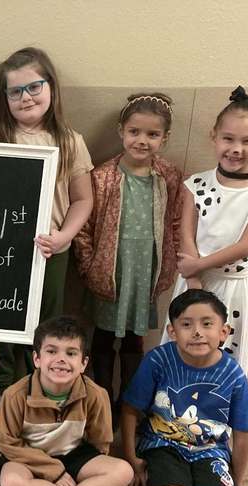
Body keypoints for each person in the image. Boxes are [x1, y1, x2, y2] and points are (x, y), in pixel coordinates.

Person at [0, 47, 94, 408]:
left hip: (49, 250)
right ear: (4, 98)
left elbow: (83, 200)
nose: (26, 97)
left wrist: (64, 237)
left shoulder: (69, 141)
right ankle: (3, 387)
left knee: (47, 323)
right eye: (15, 91)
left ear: (51, 87)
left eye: (34, 86)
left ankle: (43, 387)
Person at [75, 93, 183, 428]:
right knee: (105, 336)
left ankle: (129, 401)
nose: (142, 140)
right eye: (135, 131)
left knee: (136, 338)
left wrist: (170, 266)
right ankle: (103, 396)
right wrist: (90, 266)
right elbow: (85, 228)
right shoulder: (103, 176)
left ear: (164, 138)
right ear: (122, 131)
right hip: (110, 273)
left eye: (152, 135)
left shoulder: (168, 177)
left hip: (145, 274)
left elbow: (177, 222)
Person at [162, 86, 248, 373]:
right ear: (214, 136)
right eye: (228, 138)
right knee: (184, 345)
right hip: (193, 280)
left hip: (230, 286)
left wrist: (199, 265)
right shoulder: (196, 184)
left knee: (220, 349)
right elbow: (186, 233)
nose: (236, 148)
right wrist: (193, 280)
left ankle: (215, 408)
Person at [122, 289, 248, 486]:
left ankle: (196, 483)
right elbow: (130, 409)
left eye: (207, 324)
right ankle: (168, 483)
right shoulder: (158, 360)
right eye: (186, 324)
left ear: (224, 332)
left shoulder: (233, 375)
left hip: (210, 450)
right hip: (163, 444)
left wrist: (236, 481)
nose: (197, 332)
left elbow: (244, 433)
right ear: (172, 331)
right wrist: (133, 460)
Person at [0, 316, 133, 486]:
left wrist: (93, 470)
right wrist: (53, 472)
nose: (61, 360)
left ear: (83, 363)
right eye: (51, 351)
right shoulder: (15, 395)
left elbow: (100, 442)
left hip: (73, 456)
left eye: (71, 353)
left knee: (123, 472)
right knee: (11, 484)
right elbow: (7, 443)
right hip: (29, 459)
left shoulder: (96, 394)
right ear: (37, 358)